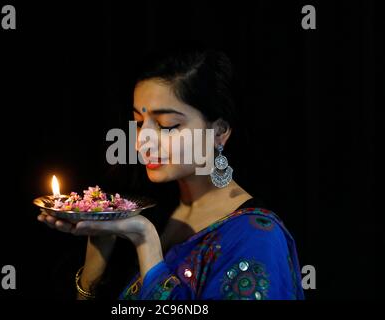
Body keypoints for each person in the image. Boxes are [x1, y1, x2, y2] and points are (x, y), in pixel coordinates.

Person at [37, 47, 304, 300]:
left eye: (167, 126)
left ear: (220, 132)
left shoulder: (257, 237)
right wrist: (97, 255)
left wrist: (145, 240)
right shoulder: (147, 207)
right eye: (140, 124)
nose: (142, 142)